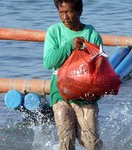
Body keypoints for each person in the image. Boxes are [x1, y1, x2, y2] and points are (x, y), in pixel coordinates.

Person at [43, 0, 103, 149]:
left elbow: (99, 69)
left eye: (69, 12)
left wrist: (95, 94)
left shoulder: (91, 34)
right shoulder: (54, 32)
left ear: (79, 11)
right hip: (60, 91)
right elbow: (49, 62)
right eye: (61, 12)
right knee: (66, 139)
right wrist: (70, 45)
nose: (65, 17)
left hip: (85, 92)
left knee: (91, 142)